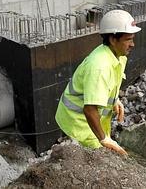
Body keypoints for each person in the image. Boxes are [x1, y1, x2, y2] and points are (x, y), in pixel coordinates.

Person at [55, 9, 141, 156]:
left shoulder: (118, 56)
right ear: (113, 39)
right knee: (101, 157)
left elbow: (107, 84)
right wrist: (103, 138)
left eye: (132, 39)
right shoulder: (99, 66)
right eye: (128, 39)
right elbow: (89, 110)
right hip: (80, 122)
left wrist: (115, 100)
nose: (132, 44)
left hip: (93, 118)